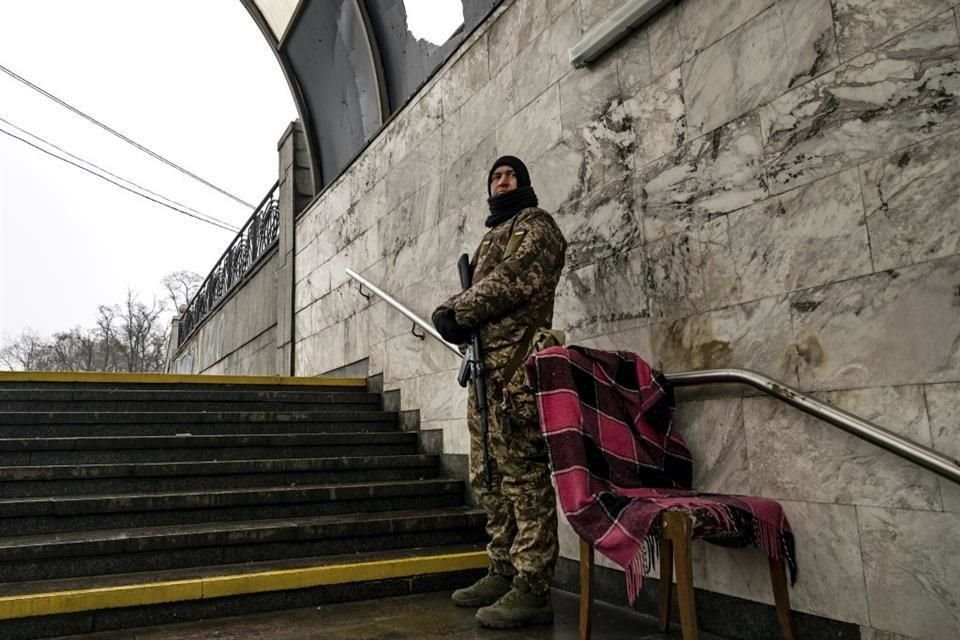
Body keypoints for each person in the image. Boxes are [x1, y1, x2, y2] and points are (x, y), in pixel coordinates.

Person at [431, 155, 567, 629]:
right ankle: (503, 568)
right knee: (488, 475)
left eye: (509, 174)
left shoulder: (536, 227)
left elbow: (509, 281)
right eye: (495, 177)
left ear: (524, 182)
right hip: (485, 375)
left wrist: (455, 309)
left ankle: (532, 587)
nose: (502, 181)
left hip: (517, 376)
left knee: (524, 479)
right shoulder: (491, 235)